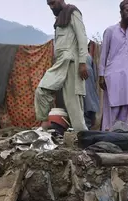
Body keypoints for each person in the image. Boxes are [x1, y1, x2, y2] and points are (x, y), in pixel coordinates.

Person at [35, 0, 89, 131]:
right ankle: (45, 123)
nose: (51, 7)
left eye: (53, 3)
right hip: (60, 64)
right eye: (49, 5)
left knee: (73, 106)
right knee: (41, 91)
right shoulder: (59, 17)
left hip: (72, 64)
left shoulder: (73, 12)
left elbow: (82, 38)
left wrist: (82, 62)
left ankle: (83, 137)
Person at [99, 0, 128, 131]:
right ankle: (106, 139)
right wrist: (101, 75)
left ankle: (120, 139)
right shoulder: (110, 31)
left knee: (126, 109)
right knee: (112, 108)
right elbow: (103, 54)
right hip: (113, 77)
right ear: (121, 12)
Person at [84, 45, 100, 129]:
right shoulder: (88, 57)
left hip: (85, 95)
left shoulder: (83, 57)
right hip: (90, 96)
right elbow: (95, 76)